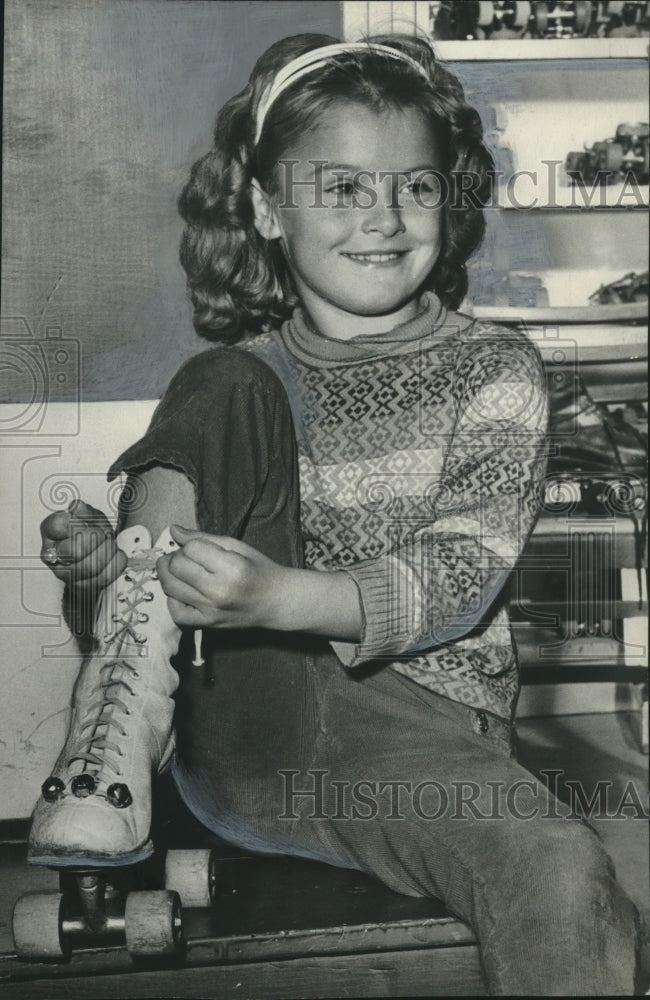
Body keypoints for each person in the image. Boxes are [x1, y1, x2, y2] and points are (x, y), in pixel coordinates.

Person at [30, 32, 640, 994]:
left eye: (417, 186)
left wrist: (277, 595)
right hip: (248, 725)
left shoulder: (495, 369)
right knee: (222, 376)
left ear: (452, 197)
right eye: (343, 189)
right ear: (270, 209)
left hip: (419, 742)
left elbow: (459, 572)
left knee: (560, 865)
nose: (386, 218)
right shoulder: (238, 387)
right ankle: (107, 750)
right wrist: (110, 573)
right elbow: (195, 589)